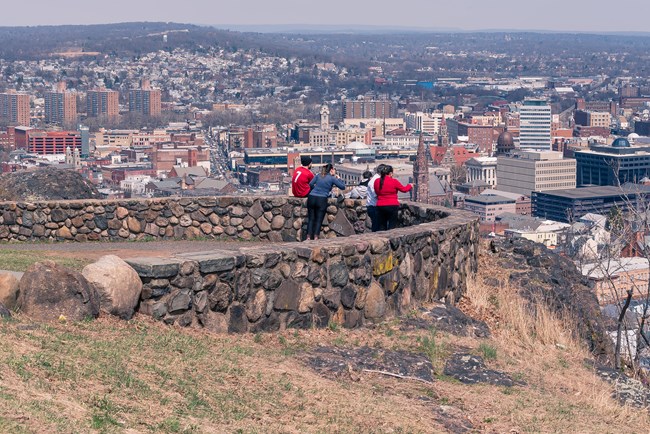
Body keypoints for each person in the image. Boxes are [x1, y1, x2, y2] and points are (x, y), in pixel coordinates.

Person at [306, 163, 345, 240]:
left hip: (312, 197)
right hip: (322, 199)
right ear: (331, 170)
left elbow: (310, 184)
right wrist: (338, 178)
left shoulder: (318, 175)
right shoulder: (332, 178)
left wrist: (315, 189)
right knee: (319, 219)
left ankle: (308, 237)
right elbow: (343, 187)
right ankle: (316, 237)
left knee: (311, 219)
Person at [374, 165, 413, 231]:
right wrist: (410, 185)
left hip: (380, 205)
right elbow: (404, 190)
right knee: (392, 225)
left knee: (382, 226)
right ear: (390, 173)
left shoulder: (377, 181)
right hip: (392, 205)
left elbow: (377, 192)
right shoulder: (394, 181)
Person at [366, 165, 385, 232]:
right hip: (373, 206)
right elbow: (376, 195)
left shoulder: (376, 179)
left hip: (374, 206)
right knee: (376, 228)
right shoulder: (374, 181)